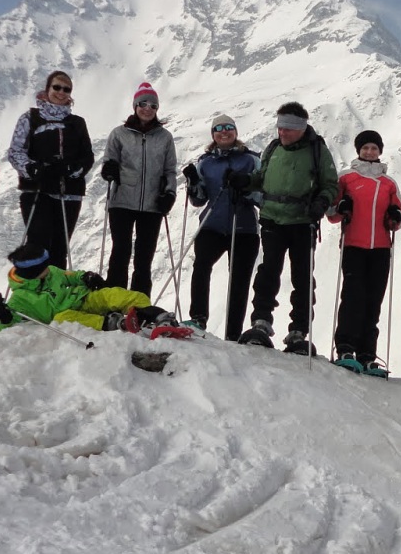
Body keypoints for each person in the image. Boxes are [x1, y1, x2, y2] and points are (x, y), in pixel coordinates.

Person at [236, 101, 339, 352]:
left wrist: (322, 201)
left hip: (303, 222)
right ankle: (260, 322)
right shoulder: (273, 149)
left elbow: (330, 184)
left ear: (302, 128)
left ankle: (298, 332)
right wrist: (245, 181)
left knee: (302, 277)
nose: (283, 133)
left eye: (289, 129)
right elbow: (262, 179)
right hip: (272, 218)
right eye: (280, 127)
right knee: (268, 272)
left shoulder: (317, 151)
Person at [328, 130, 401, 376]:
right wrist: (341, 206)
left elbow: (398, 217)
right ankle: (346, 349)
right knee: (352, 297)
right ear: (358, 150)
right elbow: (332, 215)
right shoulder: (346, 178)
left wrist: (395, 216)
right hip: (354, 245)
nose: (370, 152)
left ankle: (367, 354)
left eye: (374, 148)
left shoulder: (388, 183)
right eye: (365, 148)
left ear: (380, 151)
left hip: (381, 248)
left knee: (374, 301)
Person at [182, 111, 260, 339]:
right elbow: (199, 199)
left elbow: (261, 193)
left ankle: (233, 333)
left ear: (235, 132)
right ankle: (198, 318)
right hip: (212, 225)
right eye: (219, 129)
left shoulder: (251, 159)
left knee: (239, 278)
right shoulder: (205, 162)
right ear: (213, 135)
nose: (224, 132)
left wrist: (244, 188)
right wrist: (193, 183)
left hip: (244, 227)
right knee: (202, 265)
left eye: (228, 128)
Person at [7, 69, 94, 270]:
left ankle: (54, 296)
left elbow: (87, 156)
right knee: (38, 245)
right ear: (47, 89)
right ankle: (32, 296)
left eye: (66, 89)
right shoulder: (30, 117)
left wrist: (72, 168)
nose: (61, 92)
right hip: (37, 190)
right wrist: (33, 168)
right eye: (56, 87)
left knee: (59, 249)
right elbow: (15, 151)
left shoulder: (77, 123)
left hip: (68, 193)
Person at [99, 81, 177, 296]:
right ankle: (114, 299)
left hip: (152, 204)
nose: (147, 108)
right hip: (121, 201)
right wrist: (109, 169)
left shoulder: (165, 138)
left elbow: (170, 170)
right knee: (120, 252)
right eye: (143, 103)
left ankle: (139, 305)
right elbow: (109, 161)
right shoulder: (119, 134)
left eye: (153, 105)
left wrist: (169, 193)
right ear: (135, 106)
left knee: (144, 257)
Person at [0, 244, 173, 333]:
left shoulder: (50, 271)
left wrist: (86, 276)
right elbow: (7, 329)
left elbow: (72, 277)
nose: (49, 268)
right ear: (33, 272)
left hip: (83, 298)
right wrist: (3, 317)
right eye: (44, 266)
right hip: (67, 313)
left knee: (114, 295)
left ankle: (154, 316)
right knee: (62, 319)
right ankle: (117, 324)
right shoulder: (19, 299)